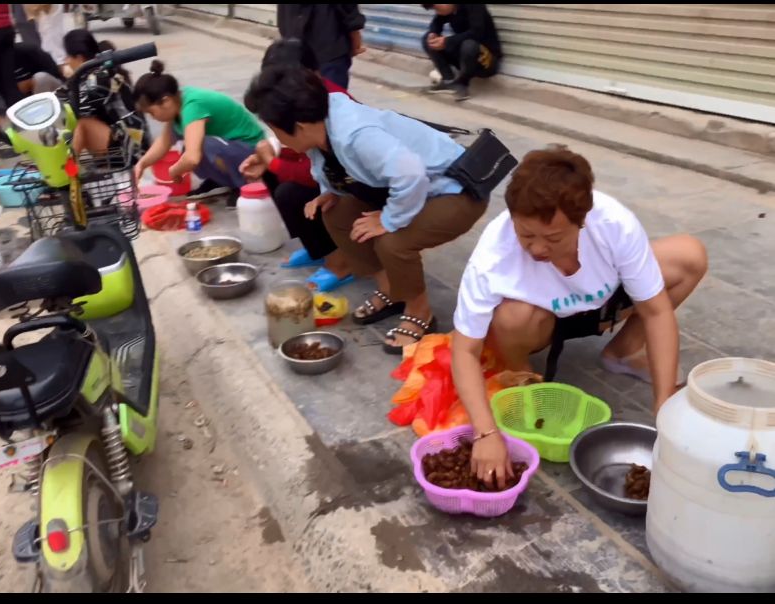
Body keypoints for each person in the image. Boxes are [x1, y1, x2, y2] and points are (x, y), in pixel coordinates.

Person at [451, 147, 708, 489]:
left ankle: (622, 353)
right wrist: (485, 432)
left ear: (582, 220)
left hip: (604, 303)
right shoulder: (492, 256)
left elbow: (656, 310)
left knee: (689, 255)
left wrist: (663, 405)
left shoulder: (613, 223)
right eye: (526, 235)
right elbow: (464, 349)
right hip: (542, 319)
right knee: (511, 318)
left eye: (553, 238)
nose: (538, 249)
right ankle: (529, 391)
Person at [244, 68, 487, 354]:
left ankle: (420, 312)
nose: (278, 139)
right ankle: (393, 291)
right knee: (337, 214)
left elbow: (410, 175)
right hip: (415, 187)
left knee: (394, 241)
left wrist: (388, 219)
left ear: (299, 125)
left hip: (456, 188)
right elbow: (327, 163)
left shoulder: (356, 134)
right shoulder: (319, 123)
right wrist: (329, 192)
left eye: (276, 130)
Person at [240, 39, 354, 292]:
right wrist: (267, 158)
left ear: (312, 73)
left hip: (350, 183)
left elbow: (320, 171)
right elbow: (299, 147)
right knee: (274, 174)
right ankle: (315, 248)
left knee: (292, 192)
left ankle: (341, 263)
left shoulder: (331, 101)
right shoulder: (297, 99)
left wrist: (274, 161)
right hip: (327, 172)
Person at [133, 61, 265, 200]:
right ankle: (222, 180)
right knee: (189, 147)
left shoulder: (192, 107)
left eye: (151, 112)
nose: (152, 118)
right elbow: (164, 142)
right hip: (235, 149)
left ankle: (243, 185)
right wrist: (142, 164)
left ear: (166, 101)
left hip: (253, 152)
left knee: (198, 147)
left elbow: (192, 158)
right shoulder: (178, 102)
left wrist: (174, 170)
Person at [61, 30, 144, 157]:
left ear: (79, 57)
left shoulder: (97, 79)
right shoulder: (93, 72)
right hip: (121, 137)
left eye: (67, 56)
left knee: (83, 125)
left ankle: (67, 171)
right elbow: (62, 95)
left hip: (133, 147)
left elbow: (75, 108)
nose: (66, 61)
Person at [421, 4, 501, 101]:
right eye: (433, 9)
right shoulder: (448, 10)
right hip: (465, 57)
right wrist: (433, 33)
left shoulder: (474, 6)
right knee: (428, 40)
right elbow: (437, 22)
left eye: (436, 7)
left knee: (469, 45)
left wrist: (447, 42)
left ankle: (462, 84)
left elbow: (477, 33)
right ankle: (448, 81)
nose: (437, 12)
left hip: (486, 60)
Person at [277, 4, 366, 90]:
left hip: (296, 40)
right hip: (328, 39)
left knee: (300, 96)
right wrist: (354, 31)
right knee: (333, 98)